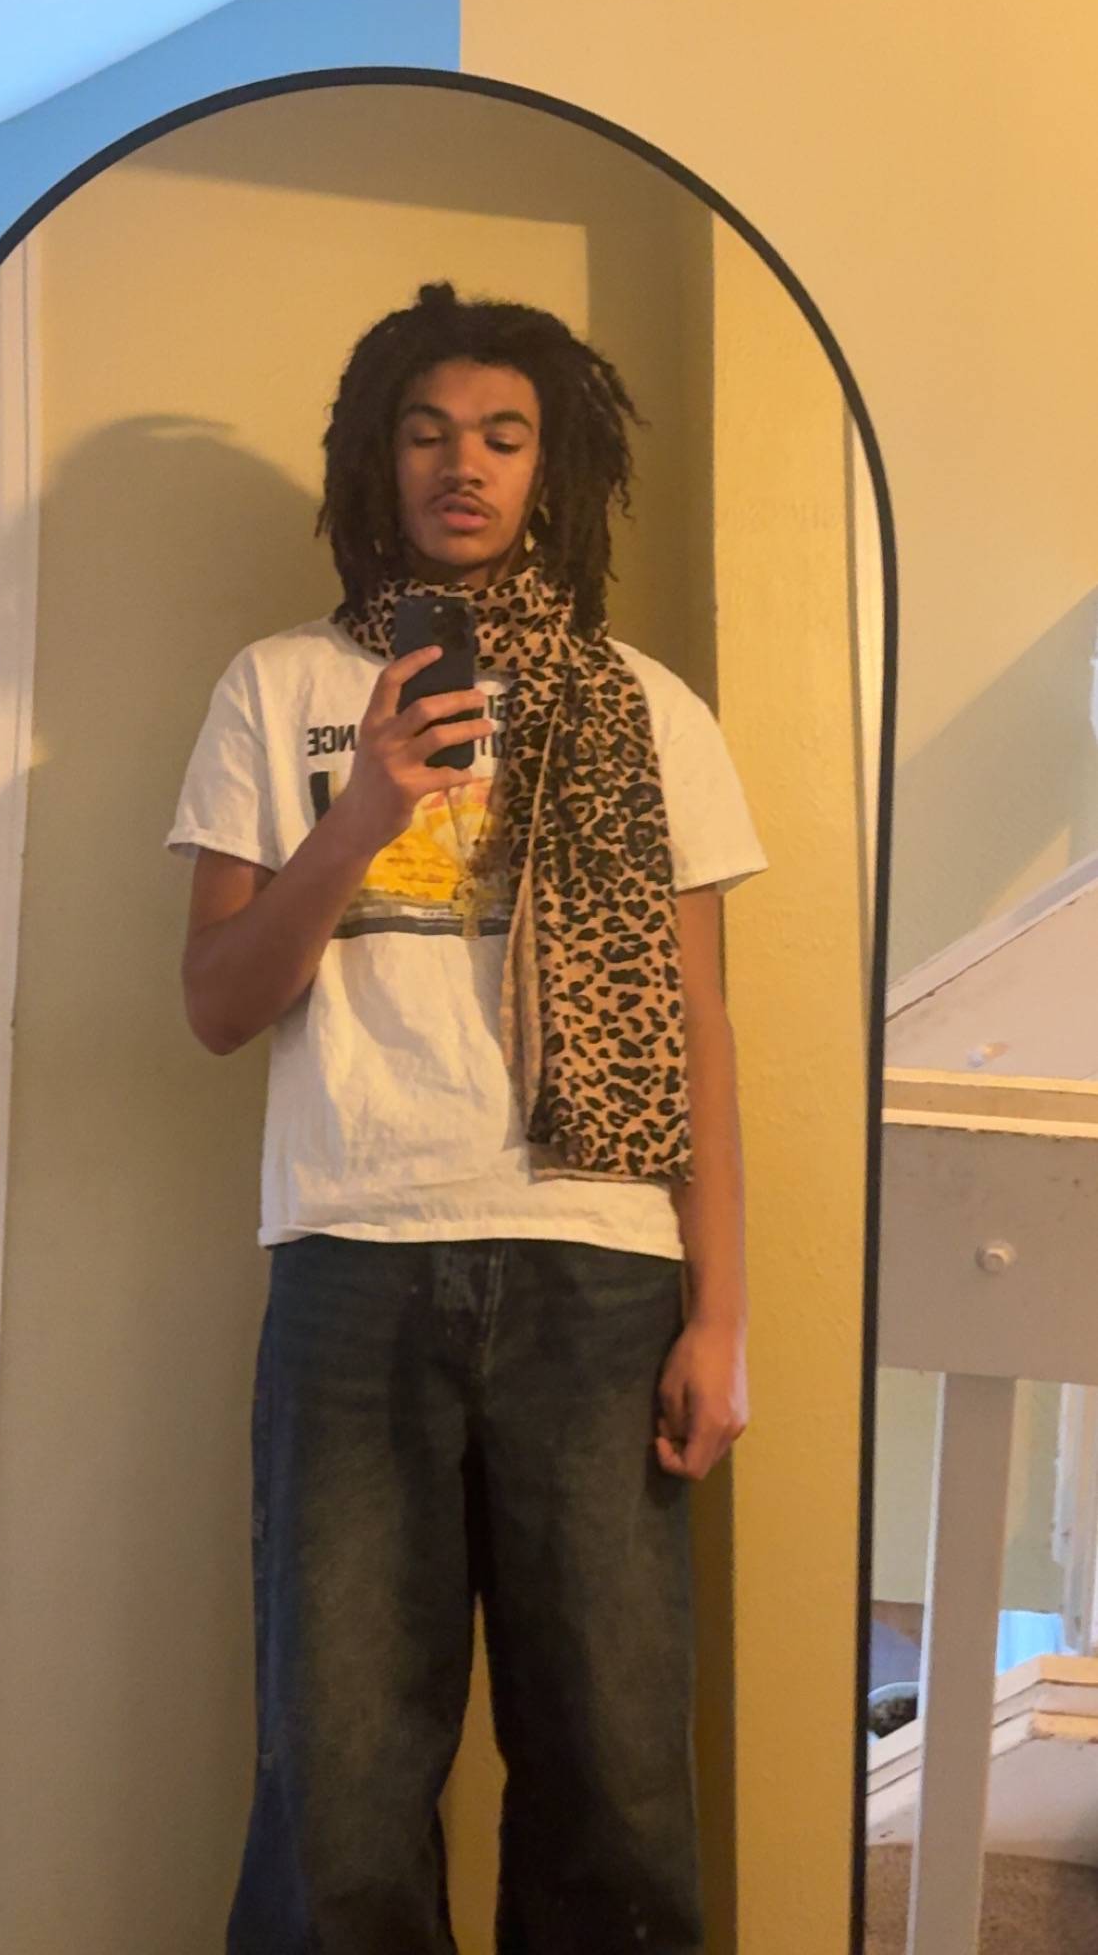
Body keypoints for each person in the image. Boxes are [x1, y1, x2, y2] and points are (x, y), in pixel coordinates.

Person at [167, 281, 767, 1954]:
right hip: (355, 1263)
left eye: (504, 435)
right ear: (377, 458)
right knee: (341, 1787)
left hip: (599, 1271)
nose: (465, 464)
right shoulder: (279, 685)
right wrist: (362, 807)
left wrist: (721, 1315)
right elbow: (218, 1003)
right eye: (428, 432)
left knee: (617, 1787)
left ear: (550, 468)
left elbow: (700, 1030)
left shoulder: (649, 708)